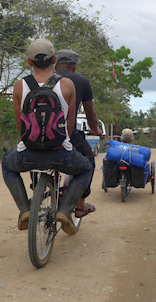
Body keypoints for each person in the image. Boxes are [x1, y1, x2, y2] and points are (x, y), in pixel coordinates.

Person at [1, 39, 94, 235]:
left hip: (28, 154)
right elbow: (69, 125)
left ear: (29, 61)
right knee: (86, 168)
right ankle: (65, 210)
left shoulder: (19, 86)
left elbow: (21, 127)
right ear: (53, 60)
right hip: (61, 154)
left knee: (6, 164)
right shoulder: (67, 84)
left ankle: (25, 211)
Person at [54, 49, 102, 217]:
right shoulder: (81, 81)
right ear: (74, 67)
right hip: (68, 135)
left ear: (55, 65)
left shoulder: (42, 79)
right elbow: (90, 114)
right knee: (88, 163)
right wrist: (95, 129)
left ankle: (37, 193)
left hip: (38, 135)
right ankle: (80, 206)